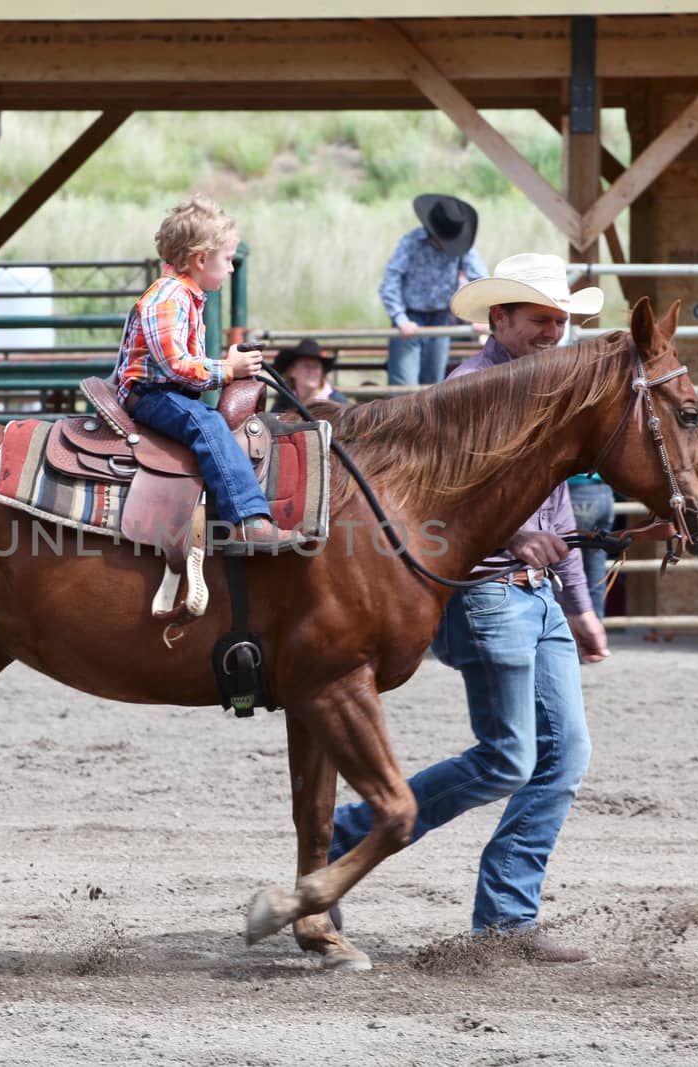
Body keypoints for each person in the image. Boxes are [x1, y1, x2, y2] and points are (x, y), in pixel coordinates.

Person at [330, 252, 609, 962]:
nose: (554, 333)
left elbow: (558, 506)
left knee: (562, 754)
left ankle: (508, 918)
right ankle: (352, 833)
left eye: (562, 322)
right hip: (484, 590)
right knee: (507, 757)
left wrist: (578, 605)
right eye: (540, 320)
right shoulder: (468, 390)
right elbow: (437, 501)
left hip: (538, 596)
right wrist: (514, 535)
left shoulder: (551, 395)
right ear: (500, 320)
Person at [113, 195, 302, 551]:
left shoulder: (185, 296)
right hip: (150, 394)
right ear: (201, 259)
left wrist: (224, 364)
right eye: (228, 259)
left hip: (165, 390)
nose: (231, 269)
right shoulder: (168, 298)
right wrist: (229, 369)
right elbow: (175, 366)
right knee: (208, 425)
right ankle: (247, 518)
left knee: (207, 420)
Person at [378, 194, 488, 387]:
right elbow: (391, 280)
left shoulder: (462, 246)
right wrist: (401, 318)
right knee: (404, 386)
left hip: (441, 318)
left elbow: (480, 279)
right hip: (411, 317)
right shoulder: (411, 242)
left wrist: (480, 315)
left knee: (434, 386)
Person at [566, 473, 616, 617]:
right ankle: (595, 625)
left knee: (564, 562)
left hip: (574, 488)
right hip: (604, 492)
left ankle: (570, 628)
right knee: (597, 568)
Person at [270, 338, 348, 411]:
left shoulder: (337, 403)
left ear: (322, 372)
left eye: (316, 366)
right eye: (306, 365)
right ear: (292, 371)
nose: (311, 371)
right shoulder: (284, 402)